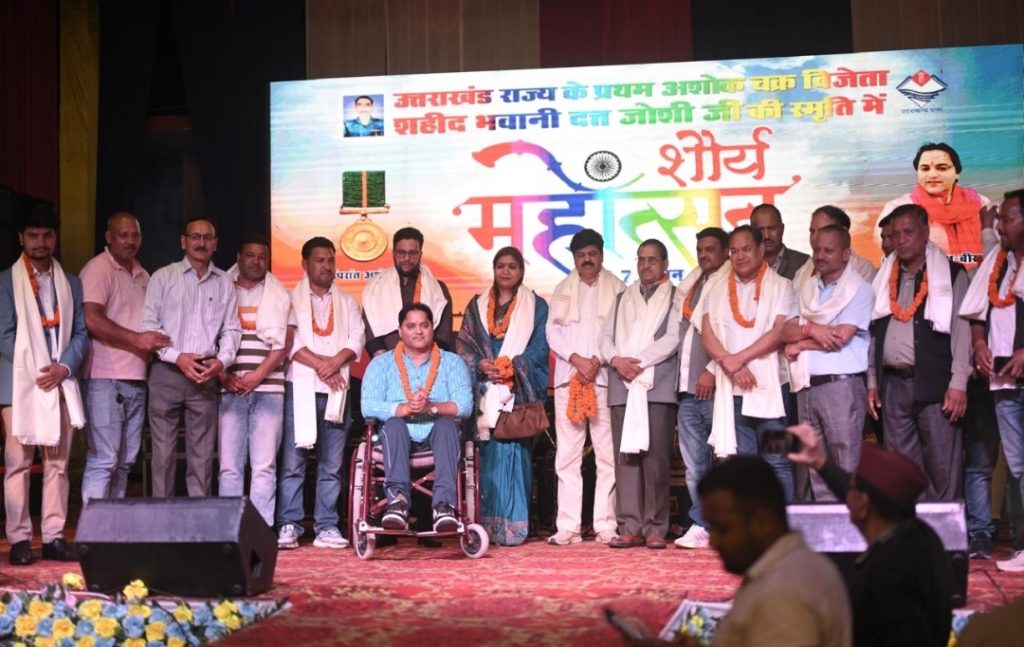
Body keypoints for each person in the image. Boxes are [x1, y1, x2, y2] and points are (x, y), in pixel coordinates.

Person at [787, 423, 952, 647]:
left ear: (863, 504)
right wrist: (820, 462)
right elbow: (850, 489)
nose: (848, 491)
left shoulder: (888, 575)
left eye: (853, 486)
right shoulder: (922, 536)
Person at [0, 204, 88, 565]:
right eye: (33, 235)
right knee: (18, 465)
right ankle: (20, 539)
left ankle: (53, 537)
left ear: (56, 238)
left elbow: (80, 333)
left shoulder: (72, 283)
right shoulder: (5, 281)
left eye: (47, 235)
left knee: (58, 464)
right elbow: (4, 334)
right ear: (21, 238)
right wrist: (39, 369)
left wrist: (63, 368)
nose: (41, 242)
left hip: (60, 382)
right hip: (20, 385)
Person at [868, 203, 970, 500]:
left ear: (925, 232)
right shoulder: (883, 278)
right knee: (902, 472)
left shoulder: (951, 274)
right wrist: (872, 381)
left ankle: (944, 530)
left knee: (943, 470)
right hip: (892, 386)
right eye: (895, 234)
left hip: (936, 386)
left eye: (908, 232)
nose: (901, 240)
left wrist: (959, 384)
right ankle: (911, 529)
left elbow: (962, 332)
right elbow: (872, 333)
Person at [697, 455, 852, 646]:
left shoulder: (782, 593)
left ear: (762, 521)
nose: (712, 541)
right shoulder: (791, 567)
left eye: (723, 528)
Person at [276, 237, 365, 549]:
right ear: (305, 264)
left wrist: (335, 363)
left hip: (336, 390)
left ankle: (327, 526)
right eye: (320, 260)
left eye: (330, 260)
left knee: (332, 464)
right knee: (293, 462)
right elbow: (289, 342)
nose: (327, 266)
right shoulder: (289, 299)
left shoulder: (347, 300)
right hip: (299, 388)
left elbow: (357, 338)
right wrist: (322, 365)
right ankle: (289, 523)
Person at [141, 217, 240, 497]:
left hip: (206, 374)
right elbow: (148, 326)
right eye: (195, 237)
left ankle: (198, 517)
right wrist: (178, 357)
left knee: (202, 458)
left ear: (215, 244)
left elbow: (231, 329)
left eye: (207, 237)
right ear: (183, 241)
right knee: (163, 455)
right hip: (167, 372)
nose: (201, 243)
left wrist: (222, 361)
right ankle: (162, 517)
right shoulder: (163, 277)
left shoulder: (224, 282)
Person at [457, 247, 549, 546]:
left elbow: (540, 348)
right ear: (494, 269)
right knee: (487, 459)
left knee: (515, 456)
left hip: (516, 393)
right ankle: (485, 524)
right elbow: (463, 343)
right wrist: (479, 364)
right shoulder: (477, 305)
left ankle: (515, 527)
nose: (506, 271)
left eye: (512, 266)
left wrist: (512, 367)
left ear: (521, 271)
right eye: (500, 266)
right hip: (484, 392)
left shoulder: (537, 306)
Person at [699, 226, 796, 500]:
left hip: (771, 390)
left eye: (746, 249)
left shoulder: (782, 286)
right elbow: (707, 333)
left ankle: (782, 523)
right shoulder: (716, 287)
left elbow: (779, 331)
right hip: (733, 390)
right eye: (734, 251)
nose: (739, 256)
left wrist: (737, 361)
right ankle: (753, 522)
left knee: (777, 461)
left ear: (761, 249)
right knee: (745, 463)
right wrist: (730, 364)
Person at [80, 212, 170, 503]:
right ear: (109, 237)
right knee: (104, 459)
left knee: (125, 462)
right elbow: (91, 319)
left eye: (135, 235)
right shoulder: (98, 269)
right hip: (105, 379)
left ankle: (113, 526)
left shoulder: (144, 275)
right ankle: (93, 529)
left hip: (137, 380)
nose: (130, 241)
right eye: (123, 235)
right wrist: (137, 340)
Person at [362, 303, 473, 532]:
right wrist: (402, 409)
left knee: (446, 425)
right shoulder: (381, 364)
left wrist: (432, 408)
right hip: (396, 438)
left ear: (433, 328)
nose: (418, 331)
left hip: (438, 438)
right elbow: (367, 406)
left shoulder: (452, 362)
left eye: (424, 325)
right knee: (394, 425)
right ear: (400, 331)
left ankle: (443, 506)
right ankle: (397, 503)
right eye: (411, 326)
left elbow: (465, 406)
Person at [782, 225, 874, 501]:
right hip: (807, 387)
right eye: (817, 250)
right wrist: (815, 330)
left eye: (828, 250)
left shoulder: (860, 289)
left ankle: (853, 525)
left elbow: (840, 338)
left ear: (846, 254)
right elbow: (786, 331)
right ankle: (828, 526)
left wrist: (801, 342)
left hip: (840, 387)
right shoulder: (807, 287)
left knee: (846, 464)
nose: (820, 256)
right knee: (816, 466)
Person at [545, 228, 625, 546]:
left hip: (604, 379)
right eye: (581, 255)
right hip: (569, 379)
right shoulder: (562, 289)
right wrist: (577, 360)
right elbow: (552, 333)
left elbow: (622, 333)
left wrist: (597, 360)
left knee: (607, 456)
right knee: (567, 456)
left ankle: (606, 524)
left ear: (602, 255)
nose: (587, 260)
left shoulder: (618, 288)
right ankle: (569, 526)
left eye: (592, 254)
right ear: (575, 259)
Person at [600, 239, 680, 549]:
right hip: (622, 384)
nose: (646, 265)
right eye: (641, 259)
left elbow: (673, 338)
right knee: (626, 459)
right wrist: (617, 361)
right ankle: (630, 526)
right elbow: (604, 338)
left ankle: (656, 527)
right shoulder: (623, 297)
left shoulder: (675, 296)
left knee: (656, 459)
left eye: (652, 260)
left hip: (655, 385)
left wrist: (639, 363)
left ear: (665, 264)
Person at [960, 189, 1024, 571]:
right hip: (1002, 381)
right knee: (1017, 466)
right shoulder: (998, 261)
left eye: (1007, 219)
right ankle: (1018, 545)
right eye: (998, 220)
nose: (1000, 226)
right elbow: (977, 313)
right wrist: (980, 344)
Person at [218, 234, 290, 528]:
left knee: (264, 466)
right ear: (238, 257)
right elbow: (206, 337)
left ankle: (260, 531)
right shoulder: (220, 290)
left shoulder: (280, 294)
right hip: (229, 388)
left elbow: (284, 345)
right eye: (250, 255)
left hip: (269, 389)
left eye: (262, 257)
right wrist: (223, 376)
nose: (257, 261)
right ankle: (229, 529)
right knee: (229, 467)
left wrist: (258, 375)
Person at [674, 227, 730, 549]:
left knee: (726, 460)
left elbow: (731, 334)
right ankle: (702, 524)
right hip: (686, 389)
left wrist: (711, 370)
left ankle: (729, 524)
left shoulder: (728, 284)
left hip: (716, 387)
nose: (704, 255)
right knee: (695, 465)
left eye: (710, 249)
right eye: (700, 250)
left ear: (725, 252)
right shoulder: (694, 285)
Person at [878, 142, 997, 268]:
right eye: (925, 169)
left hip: (978, 276)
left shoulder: (980, 203)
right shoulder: (898, 208)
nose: (932, 175)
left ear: (957, 173)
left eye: (942, 168)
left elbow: (995, 246)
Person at [363, 227, 454, 355]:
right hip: (385, 359)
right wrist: (385, 361)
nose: (407, 258)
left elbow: (443, 334)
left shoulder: (438, 289)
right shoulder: (375, 287)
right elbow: (370, 330)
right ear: (393, 253)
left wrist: (427, 359)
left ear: (420, 254)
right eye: (401, 253)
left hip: (430, 359)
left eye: (413, 253)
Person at [794, 205, 876, 283]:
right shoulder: (805, 269)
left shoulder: (862, 267)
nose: (815, 237)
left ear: (843, 232)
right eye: (812, 232)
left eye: (823, 231)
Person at [749, 203, 809, 280]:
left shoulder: (804, 263)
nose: (767, 236)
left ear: (782, 229)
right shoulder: (743, 264)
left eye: (772, 228)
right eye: (760, 230)